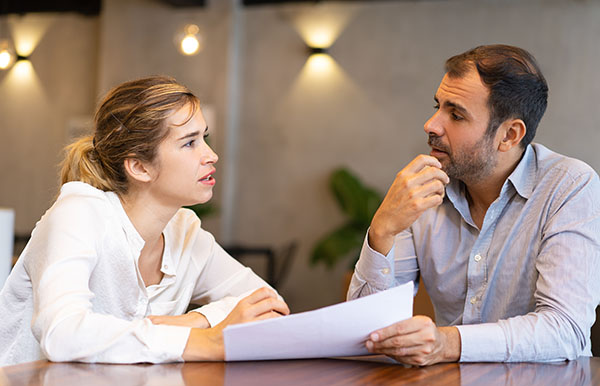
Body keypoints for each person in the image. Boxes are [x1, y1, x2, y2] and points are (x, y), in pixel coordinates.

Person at [0, 76, 289, 366]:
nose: (211, 155)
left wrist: (193, 321)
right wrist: (206, 340)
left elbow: (270, 305)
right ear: (139, 166)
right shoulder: (79, 214)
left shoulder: (185, 232)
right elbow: (62, 334)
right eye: (189, 143)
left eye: (204, 138)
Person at [348, 44, 600, 365]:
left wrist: (448, 343)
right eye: (437, 106)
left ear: (509, 135)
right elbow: (366, 332)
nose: (431, 125)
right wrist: (381, 230)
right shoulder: (425, 189)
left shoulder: (570, 186)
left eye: (455, 115)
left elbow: (565, 330)